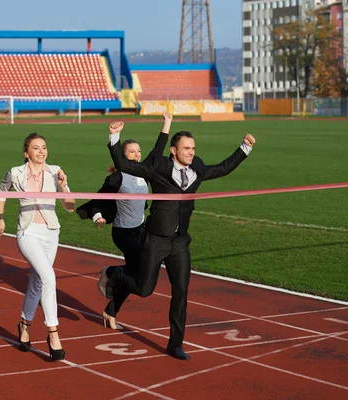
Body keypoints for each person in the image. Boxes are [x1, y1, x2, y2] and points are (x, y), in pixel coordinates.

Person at [100, 122, 256, 360]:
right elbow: (124, 165)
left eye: (193, 148)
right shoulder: (158, 166)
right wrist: (114, 137)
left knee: (181, 293)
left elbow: (223, 168)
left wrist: (244, 148)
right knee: (144, 289)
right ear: (173, 150)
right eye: (186, 148)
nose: (191, 152)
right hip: (155, 240)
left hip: (180, 242)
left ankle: (175, 344)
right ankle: (116, 275)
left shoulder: (198, 167)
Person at [76, 112, 172, 330]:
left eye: (138, 152)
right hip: (123, 233)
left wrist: (167, 123)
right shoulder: (117, 178)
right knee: (138, 275)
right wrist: (98, 216)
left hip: (140, 231)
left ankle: (111, 310)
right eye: (132, 152)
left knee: (134, 274)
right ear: (123, 155)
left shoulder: (144, 172)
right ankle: (110, 273)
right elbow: (98, 199)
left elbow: (157, 151)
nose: (137, 155)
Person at [0, 132, 75, 361]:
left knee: (38, 282)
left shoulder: (55, 171)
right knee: (49, 278)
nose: (41, 152)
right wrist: (1, 217)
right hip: (27, 232)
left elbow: (69, 207)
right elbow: (0, 191)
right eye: (36, 148)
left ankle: (24, 324)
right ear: (26, 152)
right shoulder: (15, 172)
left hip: (51, 232)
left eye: (44, 147)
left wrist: (64, 186)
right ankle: (53, 333)